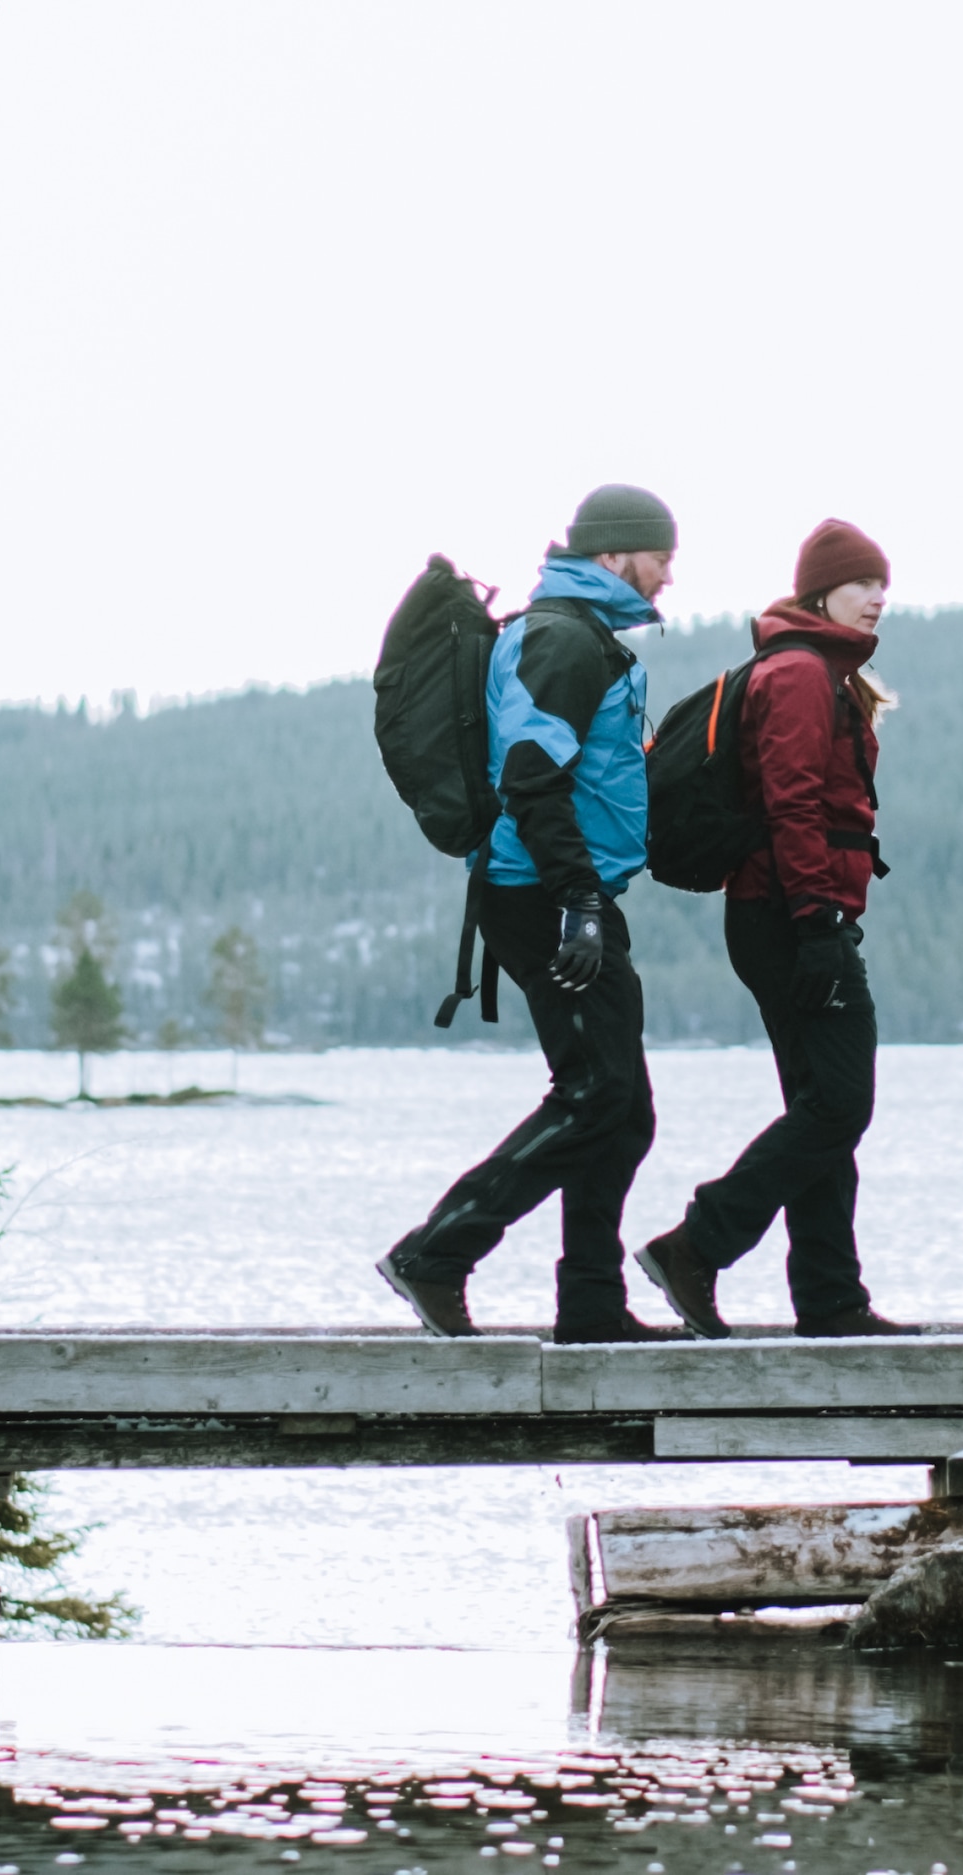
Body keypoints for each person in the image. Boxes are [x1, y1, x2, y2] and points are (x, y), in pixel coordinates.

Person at [373, 484, 686, 1342]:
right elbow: (531, 776)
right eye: (662, 557)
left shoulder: (577, 637)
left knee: (620, 1108)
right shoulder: (561, 642)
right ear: (619, 555)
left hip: (558, 890)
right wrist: (580, 902)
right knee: (595, 1095)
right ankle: (436, 1254)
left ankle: (589, 1300)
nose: (668, 575)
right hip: (544, 893)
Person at [632, 518, 916, 1338]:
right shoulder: (796, 674)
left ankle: (829, 1298)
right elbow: (792, 805)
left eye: (882, 585)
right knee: (838, 1106)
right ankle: (696, 1245)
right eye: (863, 583)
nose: (878, 599)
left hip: (790, 915)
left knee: (821, 1105)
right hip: (791, 918)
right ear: (820, 589)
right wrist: (817, 921)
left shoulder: (816, 671)